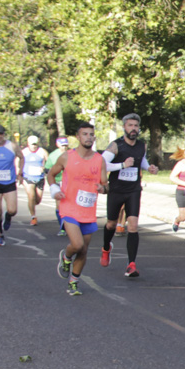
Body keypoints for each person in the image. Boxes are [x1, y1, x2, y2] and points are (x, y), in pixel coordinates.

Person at [48, 123, 108, 296]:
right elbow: (51, 175)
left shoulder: (99, 159)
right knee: (77, 244)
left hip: (88, 211)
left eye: (91, 134)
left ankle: (74, 282)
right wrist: (54, 190)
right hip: (69, 207)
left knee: (83, 250)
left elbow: (105, 185)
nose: (88, 137)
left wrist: (103, 189)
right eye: (85, 134)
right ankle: (66, 257)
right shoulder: (66, 157)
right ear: (78, 137)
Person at [99, 113, 158, 277]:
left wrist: (149, 168)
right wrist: (122, 165)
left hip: (133, 190)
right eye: (130, 125)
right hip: (116, 190)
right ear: (124, 127)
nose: (133, 128)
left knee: (132, 225)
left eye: (136, 126)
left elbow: (142, 161)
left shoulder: (141, 145)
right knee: (111, 224)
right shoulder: (116, 146)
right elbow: (101, 164)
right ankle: (106, 248)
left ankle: (131, 264)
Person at [21, 135, 49, 226]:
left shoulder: (42, 152)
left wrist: (44, 168)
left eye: (35, 144)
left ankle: (33, 206)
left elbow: (49, 162)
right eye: (32, 144)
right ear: (28, 144)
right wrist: (18, 173)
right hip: (27, 177)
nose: (34, 146)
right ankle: (33, 217)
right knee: (31, 196)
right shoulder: (24, 152)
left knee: (37, 200)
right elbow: (17, 160)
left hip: (39, 177)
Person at [45, 137, 70, 235]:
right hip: (58, 181)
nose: (64, 147)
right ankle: (62, 227)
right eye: (62, 145)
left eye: (66, 145)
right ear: (58, 145)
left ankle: (71, 224)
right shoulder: (53, 155)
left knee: (69, 204)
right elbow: (47, 170)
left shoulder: (72, 153)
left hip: (69, 182)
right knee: (59, 204)